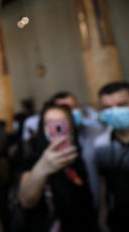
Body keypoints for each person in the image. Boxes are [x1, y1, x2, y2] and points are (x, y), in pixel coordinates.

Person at [18, 103, 97, 232]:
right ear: (41, 128)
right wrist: (42, 167)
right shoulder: (33, 160)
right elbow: (26, 201)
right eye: (49, 124)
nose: (56, 128)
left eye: (62, 123)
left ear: (71, 127)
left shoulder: (81, 156)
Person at [94, 81, 129, 232]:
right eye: (107, 108)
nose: (114, 111)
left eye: (122, 105)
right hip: (119, 219)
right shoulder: (100, 144)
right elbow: (103, 182)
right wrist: (103, 214)